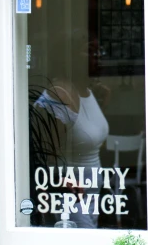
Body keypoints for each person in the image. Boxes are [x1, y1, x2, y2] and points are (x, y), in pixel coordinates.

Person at [34, 31, 110, 228]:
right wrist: (61, 182)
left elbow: (88, 136)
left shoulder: (88, 92)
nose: (97, 56)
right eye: (89, 51)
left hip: (92, 194)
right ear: (71, 57)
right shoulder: (60, 94)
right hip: (70, 194)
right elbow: (48, 152)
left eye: (99, 51)